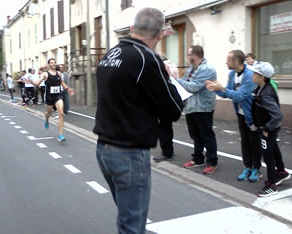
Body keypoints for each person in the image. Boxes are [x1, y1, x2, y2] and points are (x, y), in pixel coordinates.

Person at [93, 8, 183, 234]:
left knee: (127, 218)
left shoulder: (111, 54)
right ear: (160, 34)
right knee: (132, 225)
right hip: (129, 152)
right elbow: (172, 110)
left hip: (104, 148)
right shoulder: (146, 58)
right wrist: (168, 78)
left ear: (133, 28)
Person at [206, 50, 262, 182]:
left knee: (254, 142)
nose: (226, 62)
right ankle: (247, 167)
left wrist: (223, 88)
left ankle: (256, 169)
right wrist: (217, 89)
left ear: (236, 61)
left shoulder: (249, 75)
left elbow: (240, 96)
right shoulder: (232, 73)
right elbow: (228, 94)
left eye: (228, 60)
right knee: (244, 141)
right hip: (241, 114)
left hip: (253, 115)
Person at [249, 62, 291, 197]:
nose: (252, 75)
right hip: (268, 127)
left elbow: (278, 115)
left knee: (268, 156)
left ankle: (272, 185)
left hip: (268, 128)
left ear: (262, 77)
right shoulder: (262, 88)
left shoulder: (266, 93)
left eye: (255, 74)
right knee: (274, 149)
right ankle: (282, 172)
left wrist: (267, 128)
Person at [177, 45, 218, 174]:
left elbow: (195, 87)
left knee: (206, 135)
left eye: (189, 54)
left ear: (195, 55)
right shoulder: (191, 69)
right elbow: (184, 83)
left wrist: (176, 80)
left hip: (203, 107)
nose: (187, 57)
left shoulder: (207, 69)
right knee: (195, 135)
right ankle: (198, 158)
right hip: (191, 107)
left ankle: (212, 161)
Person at [26, 58, 74, 142]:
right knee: (49, 112)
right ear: (49, 64)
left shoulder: (59, 73)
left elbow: (61, 83)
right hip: (49, 97)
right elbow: (37, 83)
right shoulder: (45, 74)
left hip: (58, 96)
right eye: (51, 63)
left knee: (61, 113)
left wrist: (68, 88)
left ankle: (61, 134)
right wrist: (31, 81)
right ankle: (47, 119)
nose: (53, 64)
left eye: (54, 62)